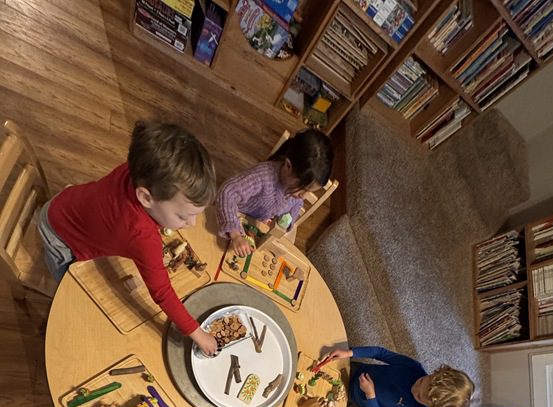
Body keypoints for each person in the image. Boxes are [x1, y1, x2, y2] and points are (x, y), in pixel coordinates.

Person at [37, 120, 218, 355]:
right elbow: (162, 292)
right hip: (59, 236)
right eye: (183, 216)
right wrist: (198, 333)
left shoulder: (140, 169)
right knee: (74, 296)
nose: (192, 224)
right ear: (146, 198)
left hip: (67, 203)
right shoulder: (141, 236)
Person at [216, 129, 333, 257]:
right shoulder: (263, 175)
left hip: (254, 225)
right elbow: (227, 193)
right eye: (303, 189)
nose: (303, 196)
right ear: (288, 166)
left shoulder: (296, 192)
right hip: (231, 217)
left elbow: (296, 205)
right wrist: (235, 234)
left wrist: (286, 222)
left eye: (309, 192)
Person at [324, 346, 474, 407]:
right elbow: (381, 353)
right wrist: (350, 353)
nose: (415, 389)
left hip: (349, 397)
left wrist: (370, 395)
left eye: (419, 396)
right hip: (352, 369)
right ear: (433, 374)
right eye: (421, 381)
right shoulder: (414, 367)